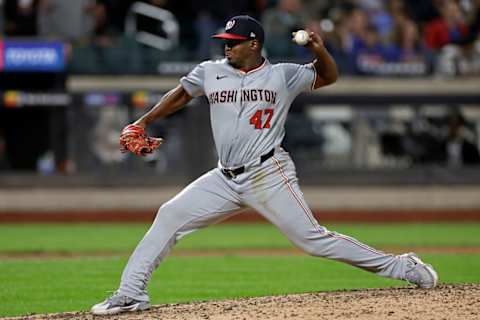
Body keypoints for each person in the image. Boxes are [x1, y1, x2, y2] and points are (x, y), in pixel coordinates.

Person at [91, 15, 438, 315]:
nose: (227, 47)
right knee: (170, 214)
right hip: (224, 176)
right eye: (225, 41)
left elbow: (328, 76)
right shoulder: (210, 71)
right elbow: (182, 93)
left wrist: (318, 49)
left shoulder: (283, 75)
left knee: (313, 240)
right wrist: (143, 122)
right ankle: (131, 293)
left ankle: (402, 266)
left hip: (268, 173)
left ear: (254, 44)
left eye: (234, 42)